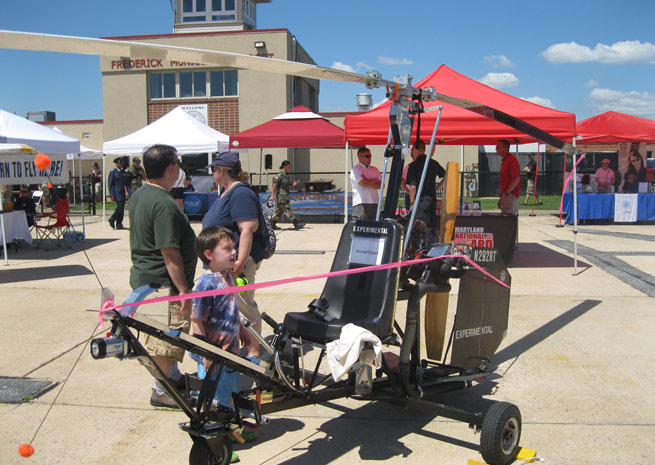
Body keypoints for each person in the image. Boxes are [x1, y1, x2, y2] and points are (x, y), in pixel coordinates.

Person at [129, 144, 197, 408]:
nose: (179, 169)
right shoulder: (164, 204)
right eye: (178, 164)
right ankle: (161, 390)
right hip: (164, 285)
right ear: (171, 168)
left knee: (164, 338)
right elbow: (170, 252)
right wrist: (184, 291)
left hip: (146, 280)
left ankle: (173, 377)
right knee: (164, 340)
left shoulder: (140, 194)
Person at [202, 152, 265, 352]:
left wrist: (239, 263)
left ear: (222, 171)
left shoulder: (240, 193)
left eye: (214, 170)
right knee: (229, 308)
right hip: (224, 265)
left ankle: (254, 353)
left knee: (245, 308)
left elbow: (247, 229)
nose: (212, 174)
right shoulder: (226, 192)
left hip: (237, 266)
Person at [406, 140, 446, 233]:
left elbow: (413, 187)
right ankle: (431, 240)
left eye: (412, 149)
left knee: (420, 227)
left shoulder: (413, 166)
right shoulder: (433, 163)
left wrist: (411, 203)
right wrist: (437, 188)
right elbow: (446, 176)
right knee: (431, 226)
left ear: (416, 149)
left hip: (420, 201)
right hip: (431, 199)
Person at [350, 147, 382, 220]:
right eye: (367, 156)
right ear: (359, 157)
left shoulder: (374, 169)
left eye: (370, 156)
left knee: (375, 225)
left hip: (374, 203)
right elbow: (362, 183)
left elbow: (381, 185)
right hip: (361, 203)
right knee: (361, 225)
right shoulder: (356, 169)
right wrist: (374, 180)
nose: (369, 158)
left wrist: (367, 181)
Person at [271, 160, 303, 230]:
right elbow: (274, 186)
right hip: (281, 196)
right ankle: (296, 223)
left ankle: (272, 224)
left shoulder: (287, 175)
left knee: (279, 211)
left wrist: (293, 184)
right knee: (287, 209)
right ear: (284, 166)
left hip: (286, 195)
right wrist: (272, 195)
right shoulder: (279, 175)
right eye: (289, 166)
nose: (290, 167)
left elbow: (287, 185)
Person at [496, 139, 521, 215]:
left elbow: (516, 179)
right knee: (505, 218)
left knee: (509, 218)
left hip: (510, 195)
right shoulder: (506, 160)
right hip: (507, 195)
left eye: (498, 147)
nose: (496, 149)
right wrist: (503, 196)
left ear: (505, 148)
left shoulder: (511, 160)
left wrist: (506, 193)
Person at [108, 157, 129, 229]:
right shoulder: (113, 172)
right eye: (119, 163)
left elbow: (126, 183)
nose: (121, 164)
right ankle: (112, 219)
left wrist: (128, 192)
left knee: (122, 208)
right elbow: (110, 184)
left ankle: (119, 223)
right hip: (116, 192)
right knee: (120, 207)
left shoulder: (124, 172)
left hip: (122, 192)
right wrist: (111, 195)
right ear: (116, 164)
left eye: (121, 163)